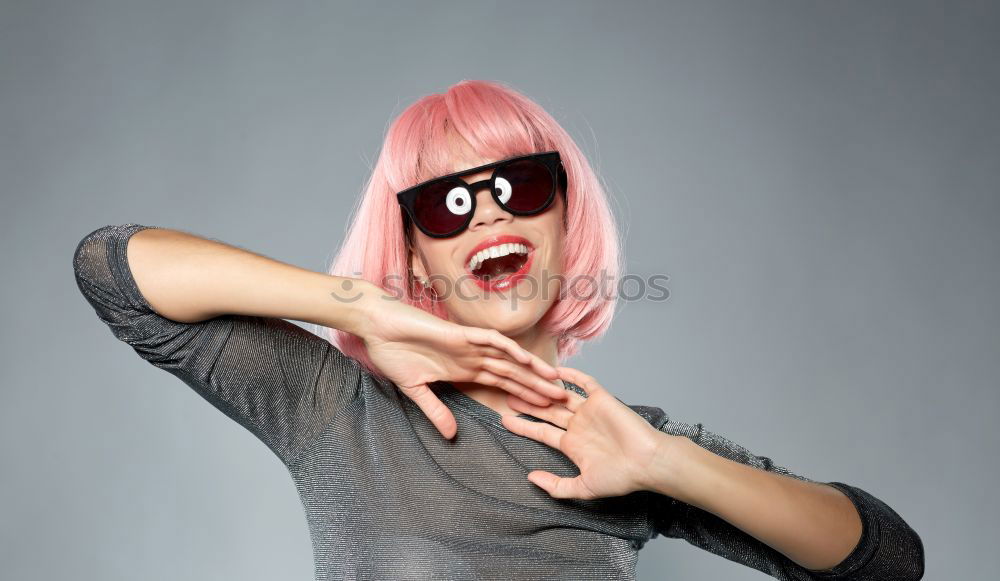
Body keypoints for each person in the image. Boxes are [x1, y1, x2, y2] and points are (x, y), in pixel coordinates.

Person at [72, 80, 924, 580]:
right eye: (446, 203)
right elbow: (114, 269)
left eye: (517, 183)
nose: (485, 212)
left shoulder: (631, 445)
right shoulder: (338, 408)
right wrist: (359, 306)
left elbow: (887, 560)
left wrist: (667, 464)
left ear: (564, 214)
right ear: (415, 250)